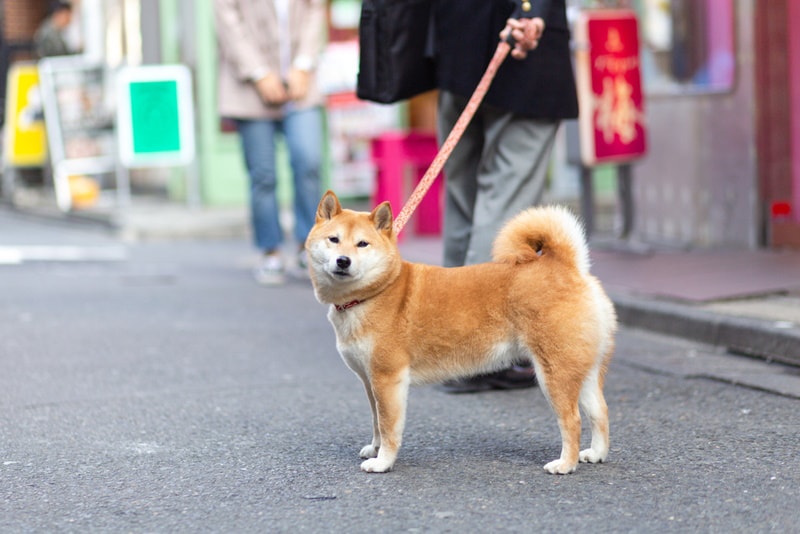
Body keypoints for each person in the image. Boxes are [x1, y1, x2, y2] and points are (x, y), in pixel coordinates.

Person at [431, 0, 580, 392]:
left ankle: (448, 343)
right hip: (521, 47)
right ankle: (477, 353)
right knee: (507, 196)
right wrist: (536, 11)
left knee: (463, 195)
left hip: (455, 46)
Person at [213, 0, 326, 285]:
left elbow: (315, 10)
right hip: (249, 87)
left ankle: (307, 246)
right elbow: (227, 20)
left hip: (300, 84)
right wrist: (259, 73)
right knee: (263, 174)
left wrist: (304, 64)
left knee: (308, 161)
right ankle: (270, 251)